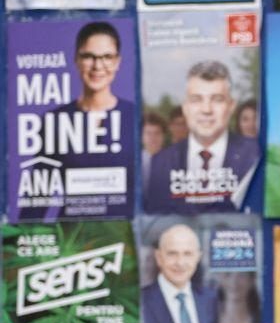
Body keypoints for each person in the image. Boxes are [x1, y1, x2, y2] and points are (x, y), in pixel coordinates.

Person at [146, 61, 260, 212]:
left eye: (217, 99)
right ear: (185, 107)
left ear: (231, 106)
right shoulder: (161, 162)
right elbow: (154, 223)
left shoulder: (256, 156)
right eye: (196, 100)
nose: (206, 110)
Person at [51, 22, 134, 174]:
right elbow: (40, 192)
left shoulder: (135, 117)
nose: (97, 66)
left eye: (107, 57)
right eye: (89, 56)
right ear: (77, 59)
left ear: (117, 62)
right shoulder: (54, 121)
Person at [141, 223, 219, 323]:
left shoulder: (211, 300)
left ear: (198, 257)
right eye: (172, 254)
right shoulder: (139, 301)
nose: (180, 262)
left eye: (187, 254)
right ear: (159, 257)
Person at [142, 112, 167, 189]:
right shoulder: (134, 161)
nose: (153, 138)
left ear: (164, 136)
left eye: (157, 133)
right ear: (141, 136)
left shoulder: (175, 160)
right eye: (148, 133)